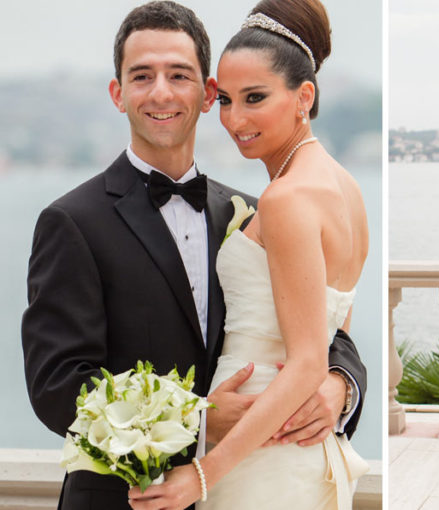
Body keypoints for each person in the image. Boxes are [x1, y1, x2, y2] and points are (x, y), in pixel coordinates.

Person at [20, 2, 366, 509]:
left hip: (245, 477)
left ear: (206, 94)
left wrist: (341, 384)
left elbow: (316, 323)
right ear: (118, 94)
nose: (160, 92)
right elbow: (57, 387)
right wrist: (196, 418)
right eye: (142, 76)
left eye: (178, 75)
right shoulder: (71, 222)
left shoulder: (242, 212)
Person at [127, 1, 369, 509]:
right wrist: (339, 383)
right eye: (228, 101)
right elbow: (336, 322)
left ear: (304, 96)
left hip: (260, 451)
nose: (236, 120)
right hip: (298, 439)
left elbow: (306, 363)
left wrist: (202, 473)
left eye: (255, 98)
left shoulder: (283, 199)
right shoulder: (346, 189)